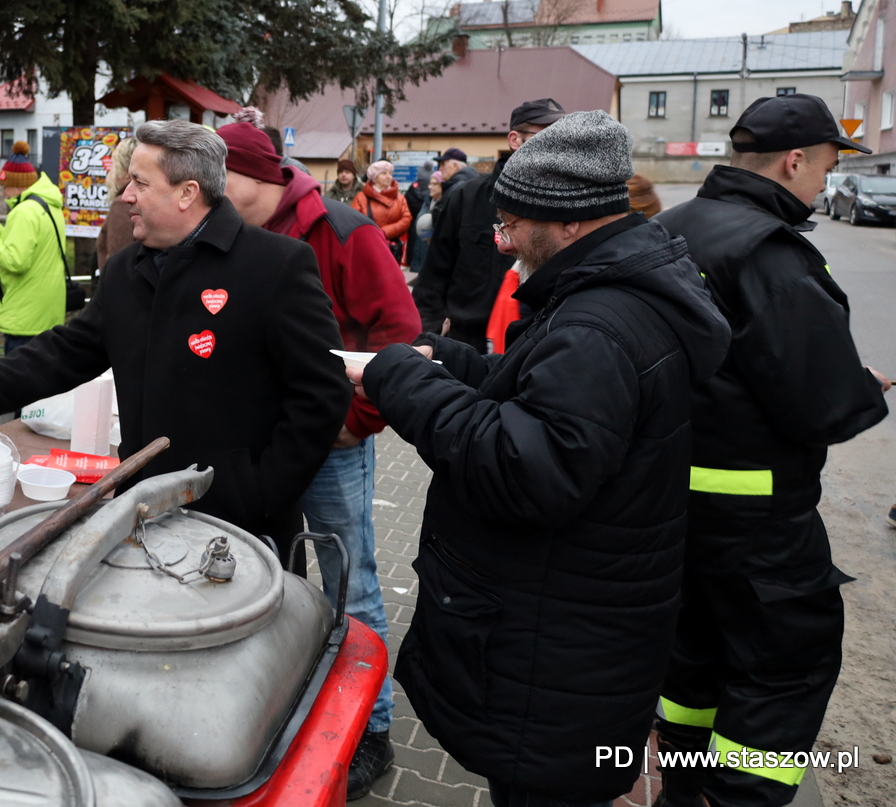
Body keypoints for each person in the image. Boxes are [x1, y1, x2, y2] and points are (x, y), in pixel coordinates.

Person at [355, 111, 731, 807]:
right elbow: (552, 406)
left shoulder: (598, 324)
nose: (501, 241)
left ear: (566, 221)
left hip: (557, 660)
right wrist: (458, 364)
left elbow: (524, 469)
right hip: (578, 637)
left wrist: (403, 381)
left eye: (509, 223)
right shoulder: (609, 296)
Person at [0, 118, 351, 553]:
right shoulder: (125, 269)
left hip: (239, 530)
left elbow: (323, 392)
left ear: (187, 193)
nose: (125, 195)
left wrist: (259, 492)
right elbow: (63, 354)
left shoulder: (276, 266)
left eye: (139, 183)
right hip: (141, 516)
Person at [653, 95, 890, 807]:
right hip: (759, 528)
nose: (823, 181)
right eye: (824, 165)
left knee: (690, 665)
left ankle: (680, 793)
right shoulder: (771, 252)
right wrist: (863, 385)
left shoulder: (670, 230)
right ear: (795, 160)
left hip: (670, 508)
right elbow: (824, 405)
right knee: (780, 673)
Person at [217, 122, 420, 797]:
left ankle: (373, 731)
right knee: (268, 571)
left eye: (219, 177)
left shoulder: (342, 229)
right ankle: (290, 702)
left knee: (349, 580)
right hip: (258, 439)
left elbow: (400, 335)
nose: (208, 192)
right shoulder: (226, 233)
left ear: (260, 174)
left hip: (332, 445)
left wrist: (355, 419)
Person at [413, 100, 565, 349]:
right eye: (546, 135)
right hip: (466, 344)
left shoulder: (567, 202)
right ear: (515, 139)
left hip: (536, 344)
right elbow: (432, 278)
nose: (555, 146)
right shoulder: (466, 197)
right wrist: (428, 339)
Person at [0, 140, 69, 353]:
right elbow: (36, 245)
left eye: (5, 187)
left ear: (17, 185)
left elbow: (16, 260)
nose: (4, 193)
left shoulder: (23, 212)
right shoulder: (49, 205)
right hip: (46, 310)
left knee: (18, 382)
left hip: (24, 316)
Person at [352, 160, 412, 264]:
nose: (388, 177)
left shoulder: (400, 199)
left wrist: (384, 232)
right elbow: (353, 221)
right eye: (384, 173)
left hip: (391, 249)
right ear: (374, 178)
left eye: (390, 173)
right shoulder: (361, 198)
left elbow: (406, 219)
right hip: (368, 249)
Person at [95, 137, 138, 271]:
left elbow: (118, 266)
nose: (111, 173)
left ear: (127, 172)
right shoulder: (149, 200)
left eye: (115, 166)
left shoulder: (123, 204)